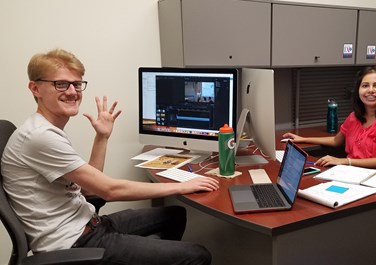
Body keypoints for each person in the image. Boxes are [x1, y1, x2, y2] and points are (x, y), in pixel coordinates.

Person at [1, 48, 220, 264]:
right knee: (197, 255)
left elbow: (88, 189)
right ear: (35, 88)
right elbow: (109, 190)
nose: (72, 91)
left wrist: (101, 136)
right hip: (75, 242)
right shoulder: (39, 137)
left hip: (89, 222)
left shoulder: (46, 129)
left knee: (174, 215)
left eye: (77, 84)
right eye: (61, 84)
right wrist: (183, 185)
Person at [283, 66, 376, 174]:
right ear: (358, 90)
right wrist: (303, 139)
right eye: (365, 85)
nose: (371, 90)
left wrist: (344, 161)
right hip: (352, 174)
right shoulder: (354, 117)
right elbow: (336, 140)